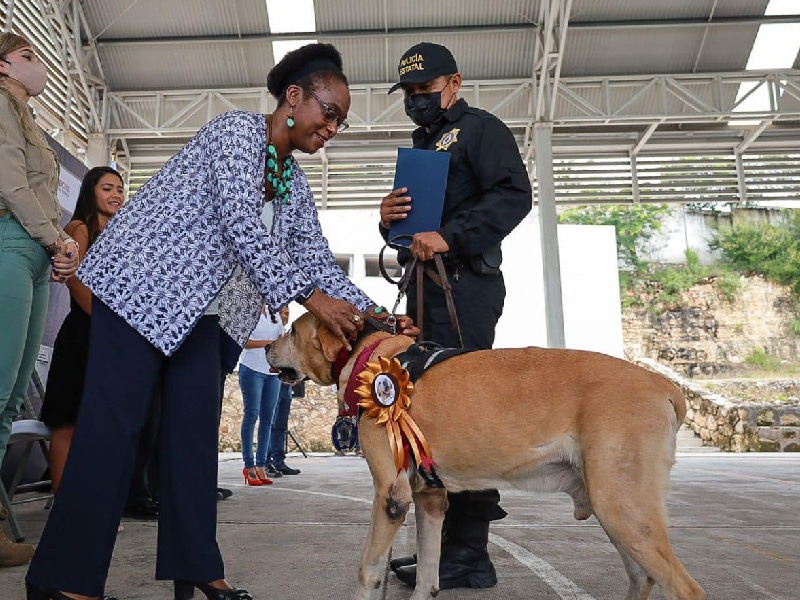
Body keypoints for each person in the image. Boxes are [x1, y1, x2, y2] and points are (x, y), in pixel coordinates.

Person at [24, 42, 415, 600]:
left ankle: (196, 568)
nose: (332, 127)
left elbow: (315, 260)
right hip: (144, 293)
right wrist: (309, 297)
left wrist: (382, 317)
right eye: (328, 112)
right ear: (294, 97)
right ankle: (63, 582)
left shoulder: (293, 185)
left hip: (207, 320)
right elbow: (239, 222)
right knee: (112, 434)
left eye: (341, 123)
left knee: (191, 443)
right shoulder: (235, 133)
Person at [379, 42, 533, 590]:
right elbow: (409, 231)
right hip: (425, 288)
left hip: (465, 287)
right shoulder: (421, 147)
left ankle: (470, 552)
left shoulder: (481, 130)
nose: (417, 101)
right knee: (431, 421)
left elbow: (516, 195)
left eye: (425, 90)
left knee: (465, 416)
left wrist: (449, 235)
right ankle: (441, 551)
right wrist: (388, 221)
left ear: (454, 83)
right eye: (410, 94)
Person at [0, 32, 79, 569]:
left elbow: (42, 193)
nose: (38, 65)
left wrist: (59, 243)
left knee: (9, 404)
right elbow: (10, 183)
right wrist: (59, 239)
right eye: (28, 56)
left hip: (33, 253)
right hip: (10, 243)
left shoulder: (29, 120)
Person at [40, 167, 126, 494]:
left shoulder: (120, 233)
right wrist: (103, 319)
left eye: (119, 188)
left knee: (99, 427)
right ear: (91, 191)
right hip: (82, 336)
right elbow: (75, 279)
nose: (116, 194)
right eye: (107, 188)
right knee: (68, 425)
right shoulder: (78, 227)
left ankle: (89, 510)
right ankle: (64, 510)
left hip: (110, 339)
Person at [238, 305, 284, 486]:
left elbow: (280, 338)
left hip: (272, 371)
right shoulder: (248, 311)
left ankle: (261, 465)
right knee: (251, 414)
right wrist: (267, 343)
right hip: (252, 368)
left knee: (268, 419)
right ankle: (248, 465)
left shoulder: (275, 313)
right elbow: (243, 341)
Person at [266, 306, 301, 477]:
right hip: (270, 378)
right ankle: (265, 461)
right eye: (282, 313)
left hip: (285, 383)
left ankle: (279, 461)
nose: (285, 317)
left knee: (281, 424)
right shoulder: (271, 333)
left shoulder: (287, 336)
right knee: (270, 422)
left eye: (287, 313)